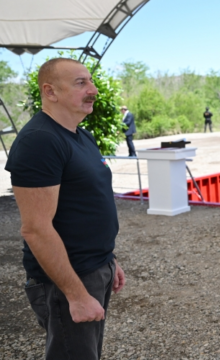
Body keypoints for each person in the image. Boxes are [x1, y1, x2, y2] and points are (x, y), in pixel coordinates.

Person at [4, 58, 126, 359]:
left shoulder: (80, 134)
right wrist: (76, 294)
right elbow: (36, 229)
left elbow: (86, 204)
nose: (93, 90)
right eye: (80, 83)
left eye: (91, 81)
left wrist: (108, 259)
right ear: (50, 91)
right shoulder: (40, 141)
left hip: (93, 268)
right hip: (65, 280)